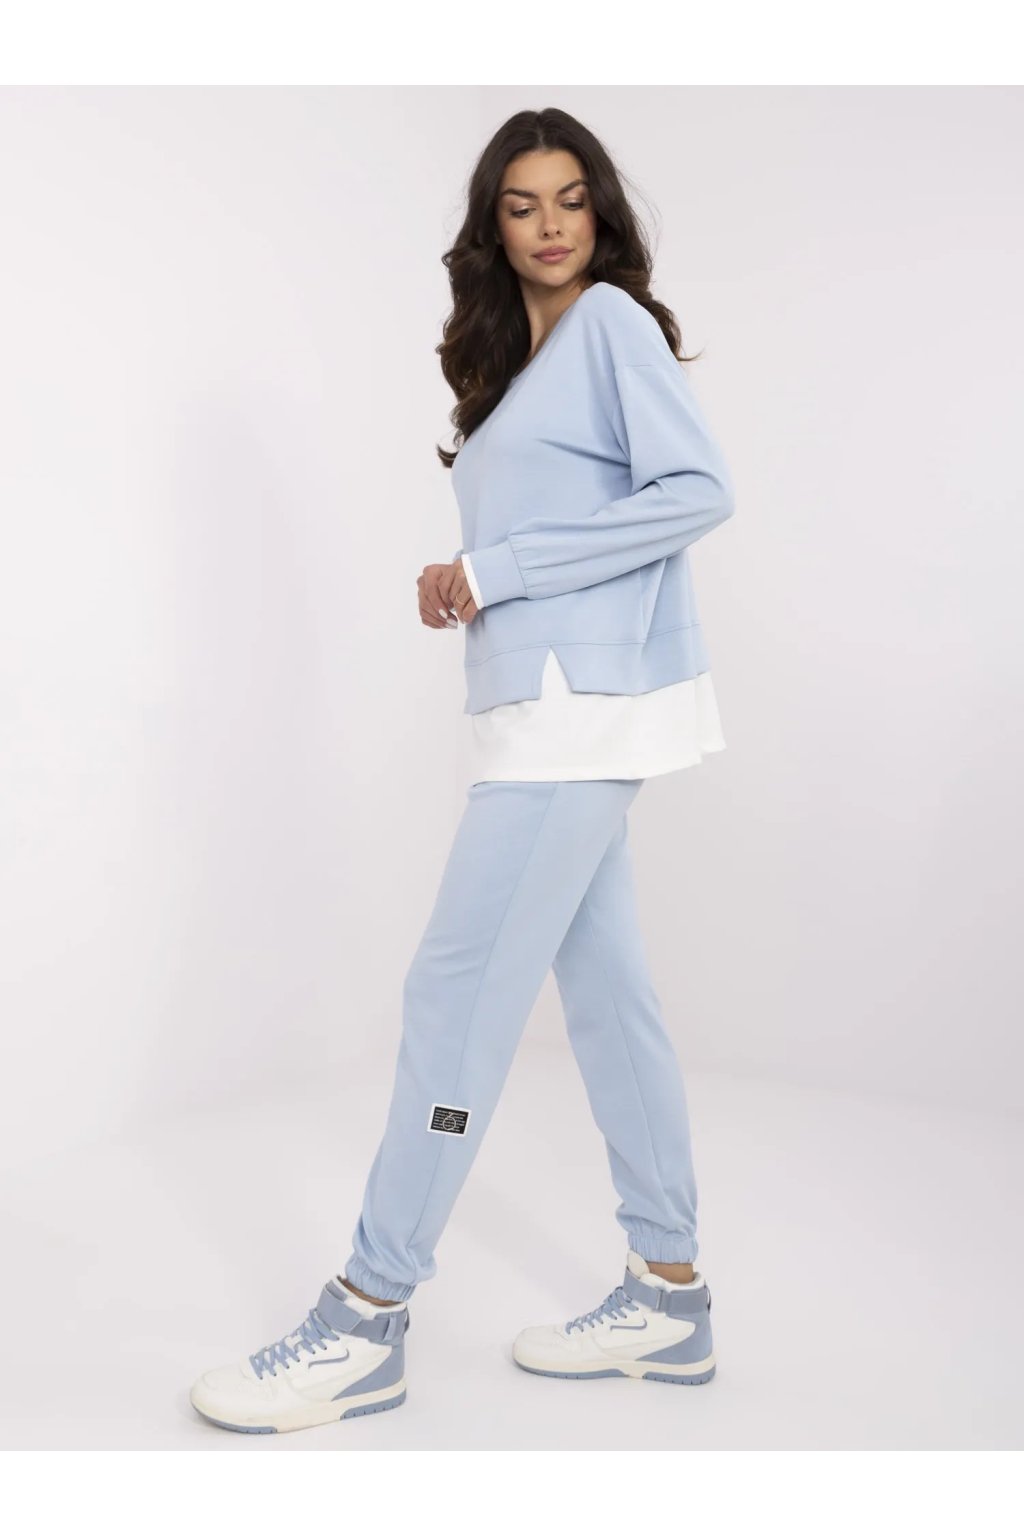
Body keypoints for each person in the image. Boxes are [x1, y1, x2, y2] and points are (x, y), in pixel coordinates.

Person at [190, 106, 733, 1435]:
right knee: (609, 1001)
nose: (551, 226)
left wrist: (499, 568)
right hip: (539, 711)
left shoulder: (609, 326)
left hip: (577, 715)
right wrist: (470, 582)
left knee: (456, 997)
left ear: (601, 213)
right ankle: (669, 1294)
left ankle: (365, 1317)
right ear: (493, 226)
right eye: (521, 204)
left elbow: (697, 490)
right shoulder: (513, 369)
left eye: (571, 199)